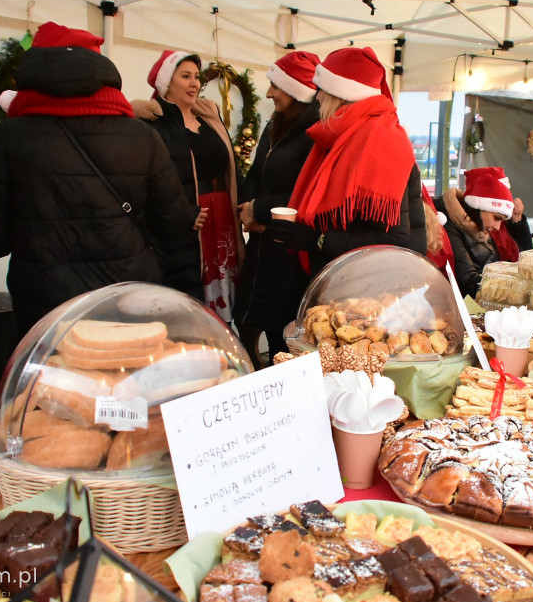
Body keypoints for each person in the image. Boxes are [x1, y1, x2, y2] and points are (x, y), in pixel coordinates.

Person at [0, 22, 201, 337]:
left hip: (45, 306)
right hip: (128, 297)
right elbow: (174, 224)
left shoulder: (8, 137)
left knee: (55, 385)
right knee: (129, 380)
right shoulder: (142, 135)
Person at [269, 46, 426, 274]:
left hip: (374, 283)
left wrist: (318, 239)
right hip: (351, 275)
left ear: (341, 95)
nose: (318, 96)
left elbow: (395, 237)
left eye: (322, 89)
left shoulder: (382, 141)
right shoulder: (345, 136)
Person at [132, 50, 241, 322]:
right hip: (190, 219)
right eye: (185, 76)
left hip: (221, 216)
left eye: (196, 77)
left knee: (227, 297)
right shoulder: (154, 125)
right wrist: (180, 212)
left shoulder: (209, 118)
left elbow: (230, 168)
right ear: (166, 83)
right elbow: (149, 182)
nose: (194, 83)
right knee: (191, 300)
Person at [233, 51, 320, 367]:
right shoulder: (275, 125)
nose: (269, 93)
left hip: (290, 252)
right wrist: (248, 206)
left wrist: (260, 209)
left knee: (285, 337)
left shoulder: (314, 133)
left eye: (275, 86)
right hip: (262, 249)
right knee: (256, 322)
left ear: (297, 90)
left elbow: (306, 191)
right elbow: (256, 173)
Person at [441, 168, 531, 298]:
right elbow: (466, 278)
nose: (498, 227)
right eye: (497, 218)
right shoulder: (451, 226)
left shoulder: (481, 227)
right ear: (482, 206)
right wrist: (512, 293)